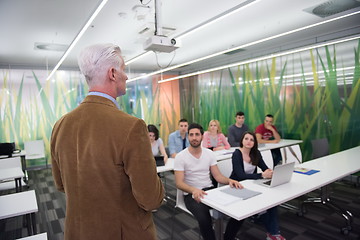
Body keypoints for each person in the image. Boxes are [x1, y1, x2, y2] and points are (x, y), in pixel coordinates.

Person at [51, 43, 164, 240]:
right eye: (124, 69)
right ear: (112, 73)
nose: (126, 76)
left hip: (76, 232)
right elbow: (150, 199)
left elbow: (61, 185)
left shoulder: (60, 125)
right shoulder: (132, 126)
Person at [174, 123, 244, 240]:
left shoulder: (209, 154)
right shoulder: (181, 157)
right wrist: (193, 190)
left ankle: (228, 237)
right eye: (191, 135)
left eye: (197, 134)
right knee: (204, 219)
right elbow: (179, 183)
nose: (194, 138)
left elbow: (217, 176)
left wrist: (230, 180)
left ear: (202, 136)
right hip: (191, 195)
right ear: (188, 137)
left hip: (210, 191)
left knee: (239, 209)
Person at [229, 131, 286, 240]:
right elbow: (240, 175)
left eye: (251, 140)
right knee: (265, 202)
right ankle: (268, 226)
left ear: (255, 143)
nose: (248, 141)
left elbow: (265, 168)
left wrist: (270, 172)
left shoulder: (256, 153)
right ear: (242, 140)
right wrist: (262, 175)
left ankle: (273, 233)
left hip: (251, 184)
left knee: (272, 200)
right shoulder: (237, 153)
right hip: (237, 185)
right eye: (246, 139)